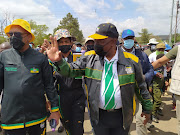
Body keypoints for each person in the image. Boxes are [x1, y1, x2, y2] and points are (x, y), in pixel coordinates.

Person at [45, 23, 152, 135]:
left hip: (123, 116)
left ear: (113, 41)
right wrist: (59, 61)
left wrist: (147, 109)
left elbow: (141, 87)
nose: (96, 44)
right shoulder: (89, 58)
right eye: (95, 40)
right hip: (98, 117)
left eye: (101, 41)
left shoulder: (132, 61)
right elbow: (70, 71)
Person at [0, 19, 60, 135]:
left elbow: (49, 85)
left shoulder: (40, 58)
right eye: (10, 34)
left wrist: (55, 110)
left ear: (28, 37)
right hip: (11, 119)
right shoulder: (3, 57)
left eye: (17, 34)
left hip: (37, 118)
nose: (13, 37)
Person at [45, 29, 85, 135]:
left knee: (78, 127)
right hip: (61, 97)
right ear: (56, 44)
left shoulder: (79, 57)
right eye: (61, 42)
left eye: (66, 41)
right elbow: (48, 81)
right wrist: (49, 101)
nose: (64, 44)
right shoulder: (50, 60)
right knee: (67, 126)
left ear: (71, 43)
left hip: (78, 96)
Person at [121, 29, 154, 135]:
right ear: (122, 40)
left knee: (141, 121)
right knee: (124, 122)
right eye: (126, 39)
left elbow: (150, 69)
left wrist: (144, 77)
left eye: (131, 38)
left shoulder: (142, 55)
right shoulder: (117, 55)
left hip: (139, 93)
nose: (129, 41)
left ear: (134, 39)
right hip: (123, 93)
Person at [152, 45, 180, 135]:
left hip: (162, 83)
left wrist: (166, 82)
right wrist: (145, 72)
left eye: (163, 49)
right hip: (157, 84)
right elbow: (159, 62)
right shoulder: (177, 49)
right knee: (157, 100)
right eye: (160, 49)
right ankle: (153, 114)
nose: (161, 51)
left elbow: (163, 68)